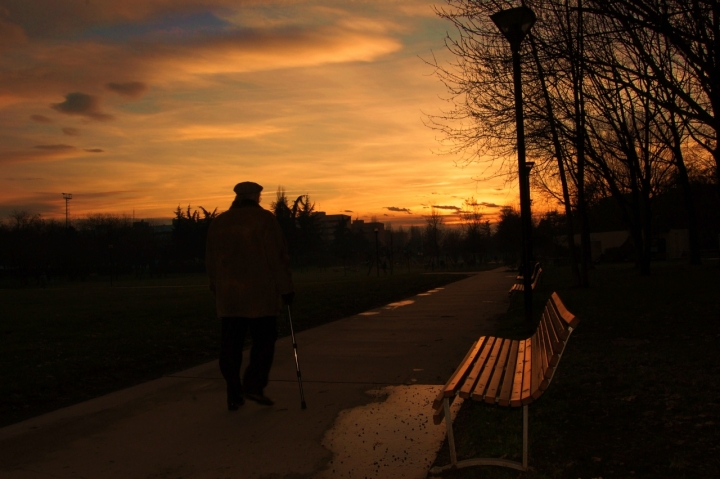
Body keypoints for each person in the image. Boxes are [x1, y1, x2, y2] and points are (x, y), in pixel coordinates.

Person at [205, 181, 295, 410]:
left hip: (229, 296)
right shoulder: (264, 220)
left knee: (230, 345)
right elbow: (277, 257)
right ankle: (253, 384)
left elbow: (211, 260)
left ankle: (234, 390)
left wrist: (216, 287)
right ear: (256, 196)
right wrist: (286, 289)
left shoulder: (220, 222)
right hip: (259, 295)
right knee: (264, 341)